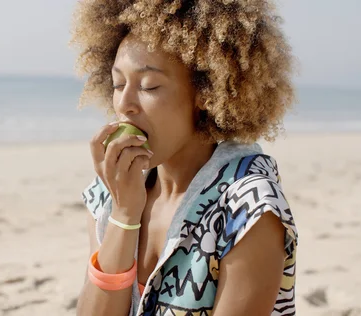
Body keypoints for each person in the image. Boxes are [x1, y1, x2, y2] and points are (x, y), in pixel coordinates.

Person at [70, 1, 298, 315]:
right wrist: (124, 212)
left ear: (207, 91)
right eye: (118, 83)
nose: (124, 104)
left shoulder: (250, 209)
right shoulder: (109, 193)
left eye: (149, 86)